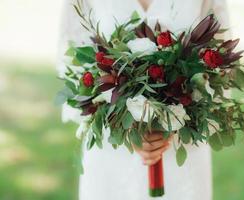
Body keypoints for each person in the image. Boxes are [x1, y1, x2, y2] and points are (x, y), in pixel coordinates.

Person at [57, 0, 230, 199]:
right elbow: (72, 63)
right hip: (111, 153)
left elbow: (222, 64)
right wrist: (123, 126)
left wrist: (176, 119)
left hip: (182, 150)